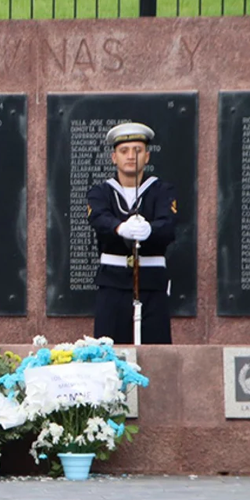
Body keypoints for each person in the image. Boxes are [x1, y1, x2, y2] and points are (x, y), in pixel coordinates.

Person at [87, 122, 177, 344]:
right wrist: (119, 228)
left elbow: (168, 224)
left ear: (147, 157)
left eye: (137, 150)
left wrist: (150, 229)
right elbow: (98, 217)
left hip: (151, 283)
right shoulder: (101, 192)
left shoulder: (162, 191)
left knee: (157, 356)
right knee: (108, 353)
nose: (130, 156)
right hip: (113, 284)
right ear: (113, 157)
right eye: (124, 151)